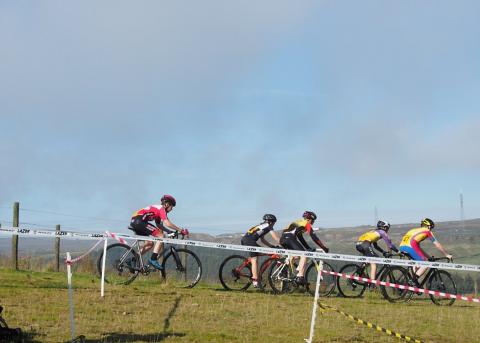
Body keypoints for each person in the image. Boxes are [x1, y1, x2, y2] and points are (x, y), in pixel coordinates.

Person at [128, 195, 188, 270]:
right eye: (171, 207)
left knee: (150, 244)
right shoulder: (161, 209)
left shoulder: (158, 209)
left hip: (135, 221)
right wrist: (180, 230)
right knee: (161, 236)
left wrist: (169, 231)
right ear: (167, 204)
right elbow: (167, 223)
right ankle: (153, 259)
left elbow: (159, 225)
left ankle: (132, 259)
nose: (171, 209)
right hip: (139, 221)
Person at [280, 211, 329, 285]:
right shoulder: (307, 224)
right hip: (290, 238)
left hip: (283, 239)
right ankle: (300, 277)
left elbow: (300, 238)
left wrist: (308, 248)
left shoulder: (299, 222)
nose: (313, 222)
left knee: (296, 256)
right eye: (313, 221)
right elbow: (314, 237)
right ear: (309, 219)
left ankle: (284, 268)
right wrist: (324, 247)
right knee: (304, 255)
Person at [241, 214, 281, 288]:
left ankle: (249, 267)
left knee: (259, 254)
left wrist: (272, 246)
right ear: (271, 222)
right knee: (255, 259)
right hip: (250, 241)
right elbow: (276, 238)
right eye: (274, 223)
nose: (274, 225)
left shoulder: (262, 225)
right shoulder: (268, 226)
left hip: (246, 239)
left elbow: (262, 239)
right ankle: (255, 281)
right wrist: (283, 245)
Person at [356, 220, 399, 285]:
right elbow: (390, 245)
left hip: (358, 245)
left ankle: (361, 270)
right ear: (384, 227)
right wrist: (398, 252)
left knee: (375, 257)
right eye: (387, 228)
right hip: (365, 244)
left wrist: (383, 252)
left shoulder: (374, 232)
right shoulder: (382, 232)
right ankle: (372, 284)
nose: (387, 230)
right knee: (374, 262)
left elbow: (375, 246)